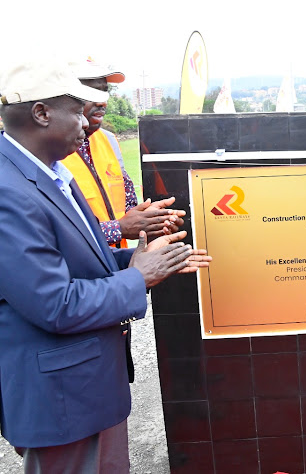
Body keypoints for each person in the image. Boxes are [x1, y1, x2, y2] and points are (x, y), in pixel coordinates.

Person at [0, 58, 210, 473]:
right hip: (61, 397)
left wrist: (138, 258)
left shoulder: (51, 172)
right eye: (77, 110)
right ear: (41, 113)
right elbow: (55, 303)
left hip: (86, 386)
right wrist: (139, 275)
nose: (88, 122)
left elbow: (80, 260)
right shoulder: (9, 192)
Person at [62, 58, 185, 248]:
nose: (102, 102)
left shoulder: (109, 140)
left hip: (117, 267)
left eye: (104, 92)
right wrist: (118, 228)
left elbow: (128, 209)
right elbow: (59, 235)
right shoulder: (48, 151)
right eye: (90, 92)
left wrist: (152, 220)